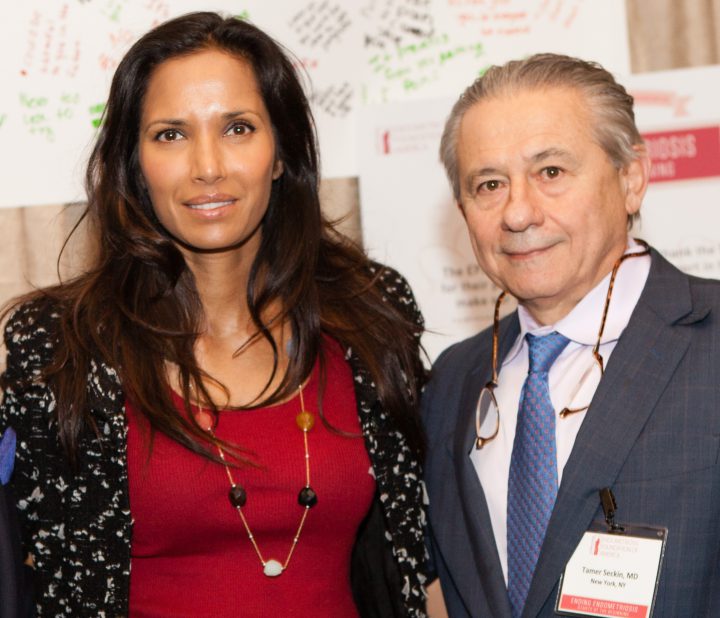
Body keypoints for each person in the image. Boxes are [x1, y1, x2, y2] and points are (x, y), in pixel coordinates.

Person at [0, 12, 429, 617]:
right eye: (171, 135)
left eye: (238, 128)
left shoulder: (372, 313)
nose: (208, 165)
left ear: (281, 153)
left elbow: (419, 551)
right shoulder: (60, 347)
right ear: (134, 165)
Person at [422, 53, 720, 617]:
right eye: (488, 184)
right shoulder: (450, 386)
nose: (517, 212)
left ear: (631, 178)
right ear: (463, 210)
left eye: (551, 173)